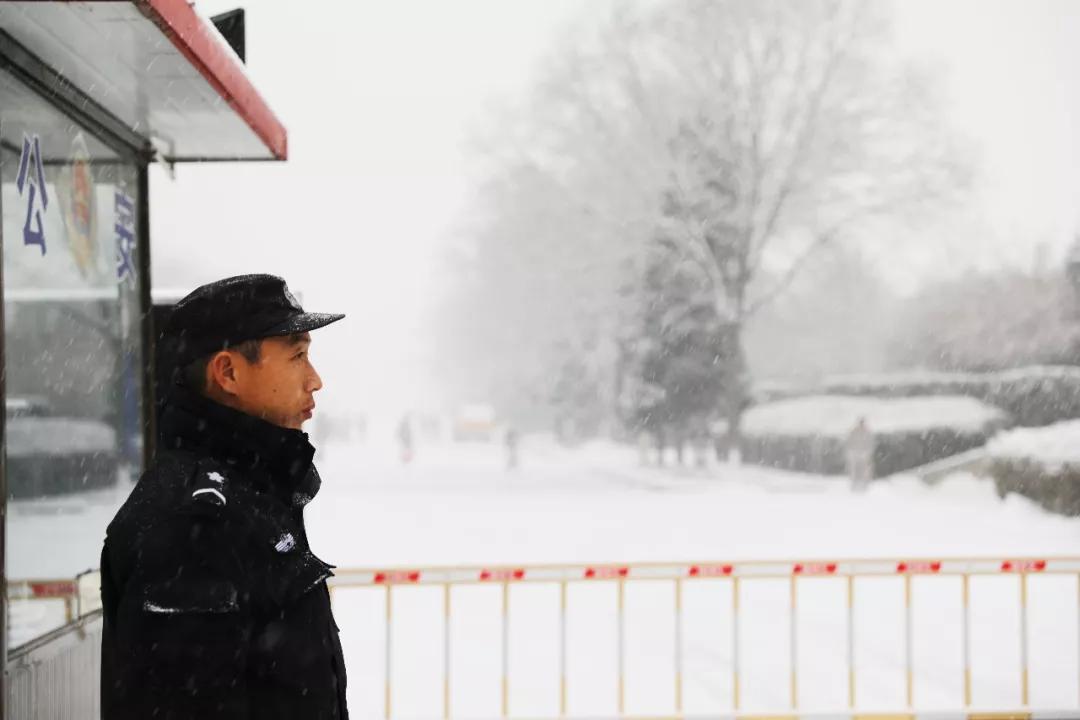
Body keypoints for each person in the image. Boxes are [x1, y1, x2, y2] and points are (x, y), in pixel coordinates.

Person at [100, 274, 348, 719]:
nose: (316, 380)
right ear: (228, 372)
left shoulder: (251, 490)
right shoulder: (193, 525)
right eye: (297, 356)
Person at [846, 416, 876, 492]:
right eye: (861, 423)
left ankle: (863, 485)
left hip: (864, 454)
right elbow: (850, 442)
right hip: (855, 453)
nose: (861, 424)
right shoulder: (854, 431)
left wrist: (868, 452)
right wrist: (852, 451)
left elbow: (870, 443)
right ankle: (854, 484)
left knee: (864, 470)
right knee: (855, 470)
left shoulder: (867, 432)